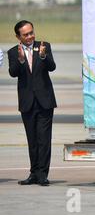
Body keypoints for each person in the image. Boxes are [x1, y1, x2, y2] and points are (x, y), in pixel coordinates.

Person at [8, 20, 57, 186]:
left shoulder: (44, 46)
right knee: (32, 140)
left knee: (44, 139)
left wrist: (43, 56)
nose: (30, 36)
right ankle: (34, 173)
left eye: (31, 32)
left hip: (45, 101)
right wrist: (21, 60)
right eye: (25, 34)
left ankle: (43, 174)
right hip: (27, 102)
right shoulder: (14, 52)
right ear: (18, 37)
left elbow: (52, 67)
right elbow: (13, 73)